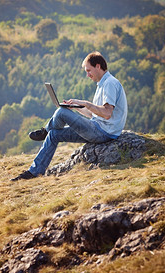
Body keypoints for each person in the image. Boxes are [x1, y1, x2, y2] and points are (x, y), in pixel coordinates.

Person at [11, 51, 127, 181]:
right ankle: (34, 172)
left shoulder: (110, 83)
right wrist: (76, 108)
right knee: (54, 134)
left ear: (98, 66)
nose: (87, 75)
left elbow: (106, 113)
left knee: (61, 112)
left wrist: (86, 103)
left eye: (89, 70)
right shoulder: (102, 84)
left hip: (105, 132)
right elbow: (94, 114)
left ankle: (45, 131)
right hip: (98, 128)